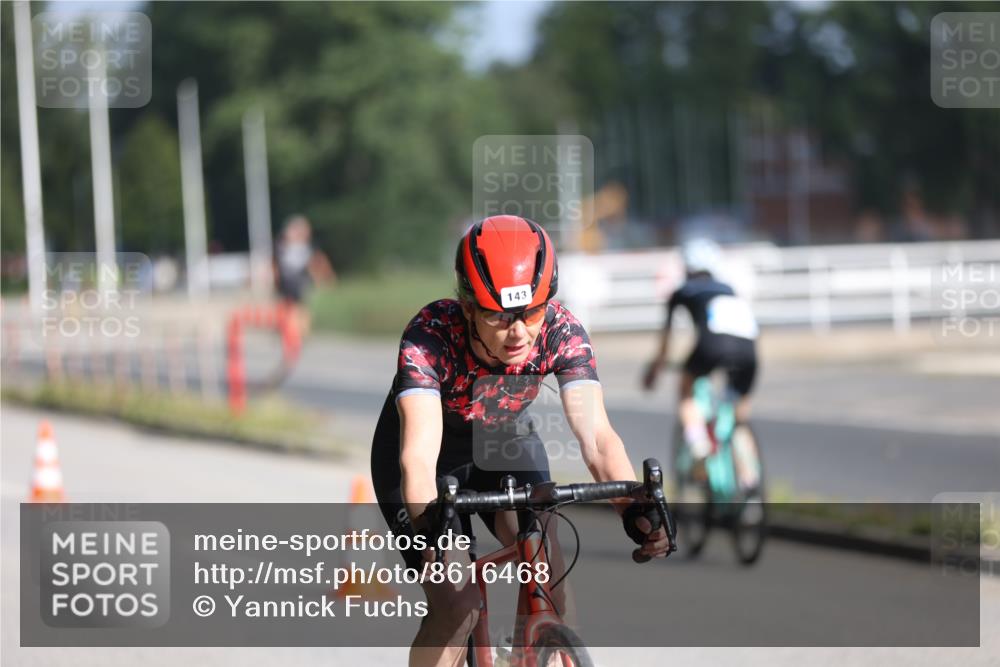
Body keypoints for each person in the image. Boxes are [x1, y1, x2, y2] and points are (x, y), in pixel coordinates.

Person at [371, 215, 670, 667]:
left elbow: (597, 437)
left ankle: (531, 650)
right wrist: (434, 533)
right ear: (468, 308)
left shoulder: (559, 330)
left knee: (549, 572)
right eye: (499, 315)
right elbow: (417, 457)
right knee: (458, 604)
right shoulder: (430, 337)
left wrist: (635, 506)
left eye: (531, 312)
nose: (518, 332)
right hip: (428, 458)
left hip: (502, 439)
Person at [642, 238, 760, 485]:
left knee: (686, 390)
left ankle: (698, 445)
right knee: (738, 417)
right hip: (749, 350)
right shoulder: (729, 289)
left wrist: (656, 369)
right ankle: (750, 481)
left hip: (711, 346)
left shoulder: (683, 291)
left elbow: (666, 343)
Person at [274, 215, 335, 339]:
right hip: (286, 283)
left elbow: (319, 262)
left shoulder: (308, 248)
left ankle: (301, 333)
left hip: (301, 282)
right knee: (287, 308)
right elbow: (276, 265)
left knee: (301, 308)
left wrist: (324, 278)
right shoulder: (281, 247)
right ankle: (289, 332)